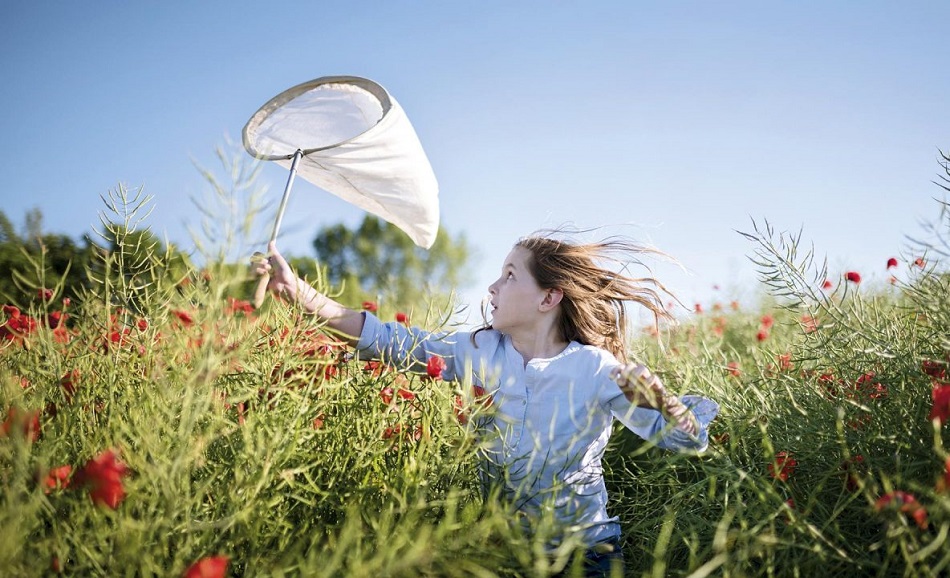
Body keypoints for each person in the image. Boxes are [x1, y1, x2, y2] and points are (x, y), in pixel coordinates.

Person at [252, 233, 719, 577]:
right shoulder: (479, 351)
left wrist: (667, 406)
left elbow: (688, 442)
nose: (493, 288)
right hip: (507, 551)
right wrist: (301, 294)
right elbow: (394, 341)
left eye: (510, 275)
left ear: (549, 297)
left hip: (587, 556)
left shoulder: (595, 368)